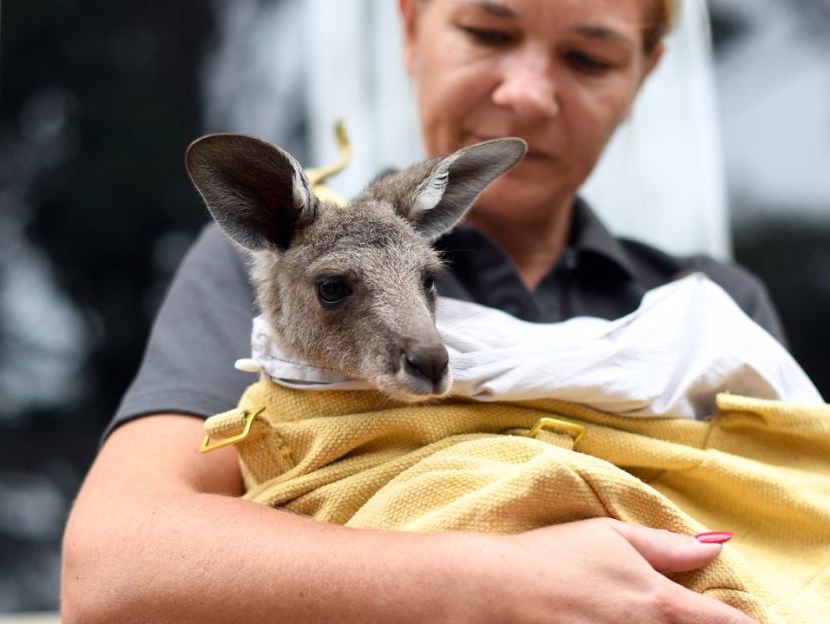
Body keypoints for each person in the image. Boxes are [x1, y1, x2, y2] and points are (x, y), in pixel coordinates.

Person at [61, 0, 782, 622]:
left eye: (589, 58)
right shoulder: (276, 281)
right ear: (411, 29)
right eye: (487, 33)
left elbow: (798, 547)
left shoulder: (703, 313)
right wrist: (494, 583)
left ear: (644, 76)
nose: (529, 95)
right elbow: (112, 570)